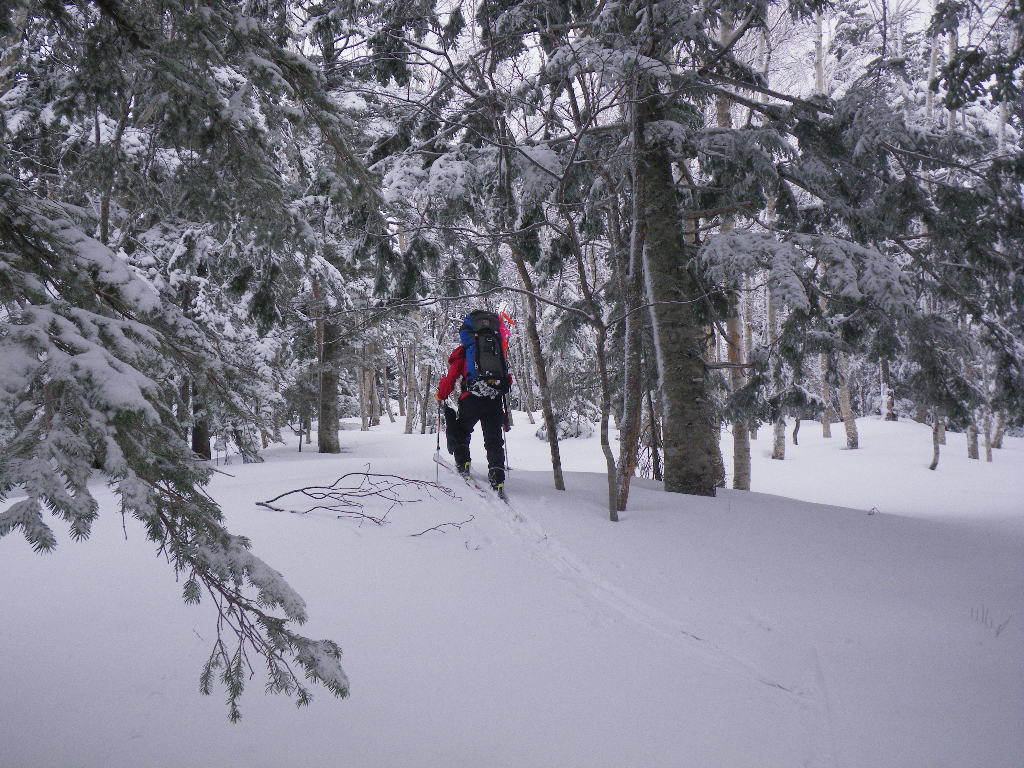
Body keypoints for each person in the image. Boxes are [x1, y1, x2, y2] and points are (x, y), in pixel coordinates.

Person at [437, 311, 512, 491]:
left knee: (462, 431)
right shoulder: (497, 350)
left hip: (471, 398)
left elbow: (452, 376)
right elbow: (507, 379)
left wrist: (441, 394)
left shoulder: (465, 352)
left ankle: (463, 463)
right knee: (494, 439)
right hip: (494, 399)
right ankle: (497, 474)